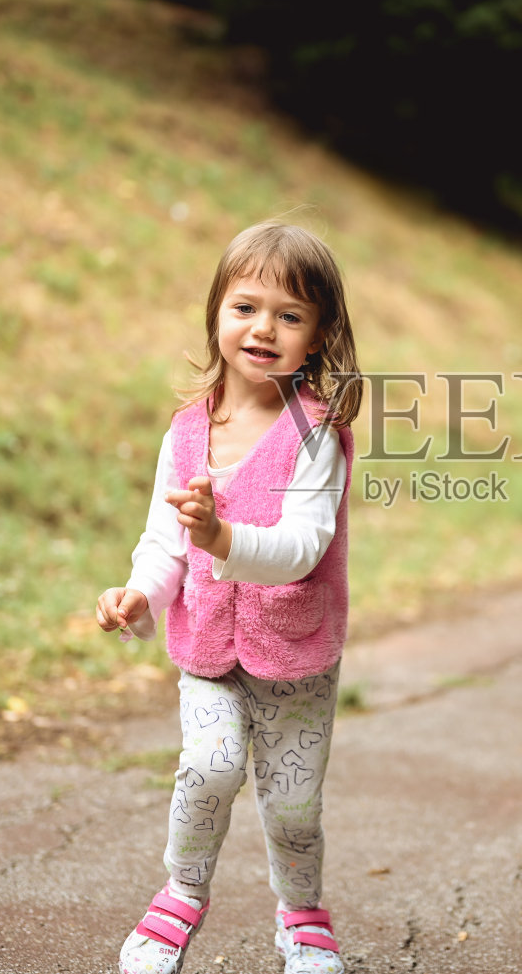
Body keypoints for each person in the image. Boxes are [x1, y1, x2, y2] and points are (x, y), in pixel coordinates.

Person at [94, 221, 361, 974]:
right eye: (245, 307)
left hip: (296, 655)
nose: (264, 328)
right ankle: (181, 894)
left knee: (293, 803)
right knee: (208, 767)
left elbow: (303, 547)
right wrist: (141, 593)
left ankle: (302, 913)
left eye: (289, 314)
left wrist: (222, 539)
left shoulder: (317, 435)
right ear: (216, 313)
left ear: (318, 335)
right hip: (210, 650)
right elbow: (163, 541)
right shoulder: (185, 433)